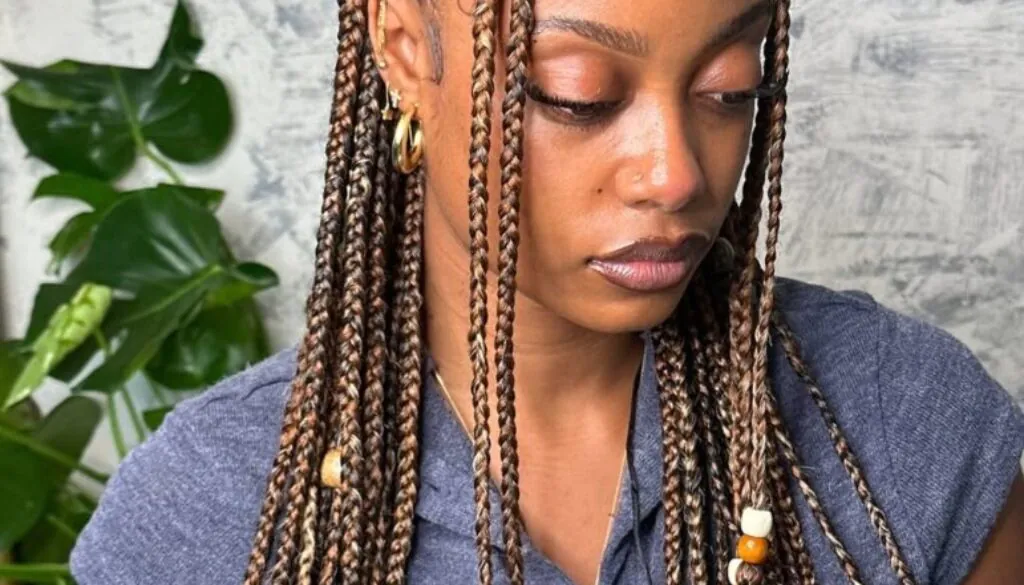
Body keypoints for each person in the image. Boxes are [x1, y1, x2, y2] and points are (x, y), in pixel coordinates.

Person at [70, 0, 1024, 584]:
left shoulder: (911, 424)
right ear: (407, 51)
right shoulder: (207, 516)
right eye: (576, 94)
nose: (674, 174)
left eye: (730, 87)